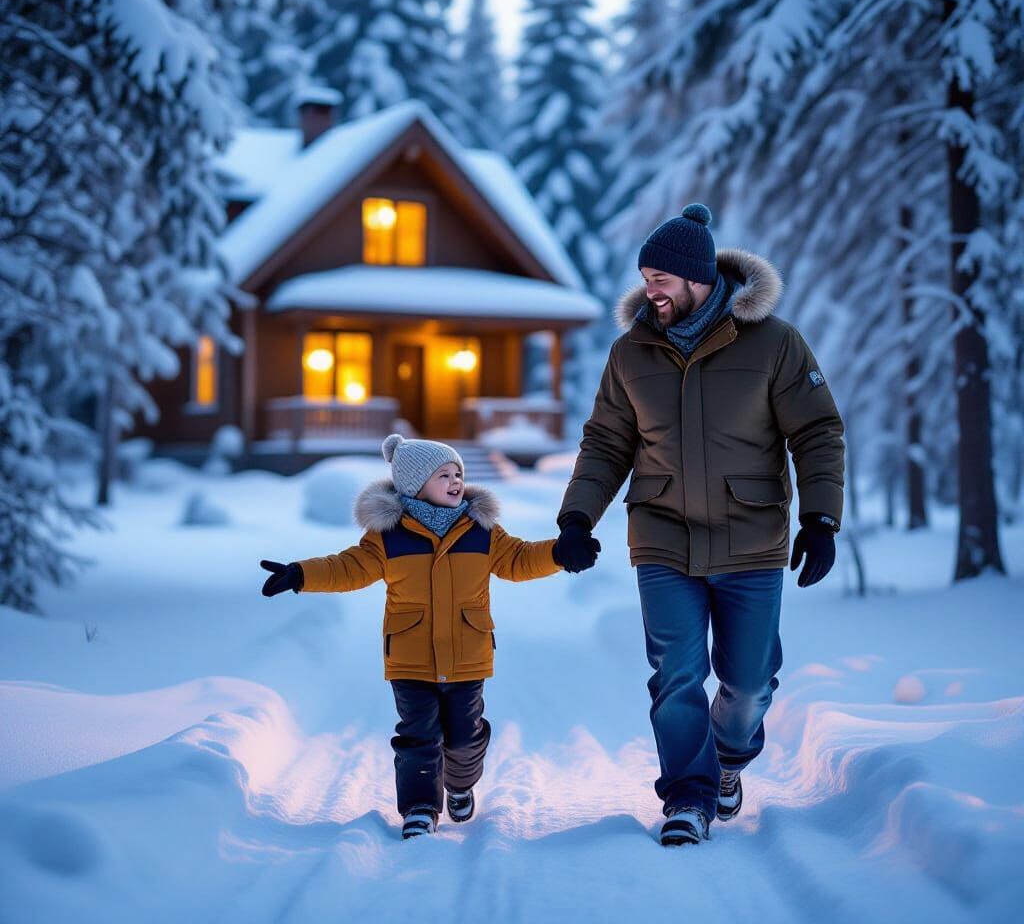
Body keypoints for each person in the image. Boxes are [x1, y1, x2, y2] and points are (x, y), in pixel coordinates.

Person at [553, 203, 845, 846]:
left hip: (753, 538)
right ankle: (688, 797)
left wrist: (822, 517)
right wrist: (577, 516)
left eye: (660, 277)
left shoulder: (774, 341)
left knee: (747, 681)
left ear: (698, 279)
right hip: (662, 536)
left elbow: (817, 430)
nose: (648, 290)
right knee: (676, 675)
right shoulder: (632, 352)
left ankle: (729, 761)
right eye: (645, 276)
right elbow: (605, 442)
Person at [260, 433, 598, 840]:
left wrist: (559, 554)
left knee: (463, 735)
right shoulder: (388, 537)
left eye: (458, 473)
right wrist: (301, 574)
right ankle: (420, 807)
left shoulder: (482, 530)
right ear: (415, 485)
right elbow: (348, 567)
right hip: (410, 657)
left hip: (467, 655)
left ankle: (459, 784)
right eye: (444, 475)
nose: (456, 481)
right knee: (418, 734)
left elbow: (519, 559)